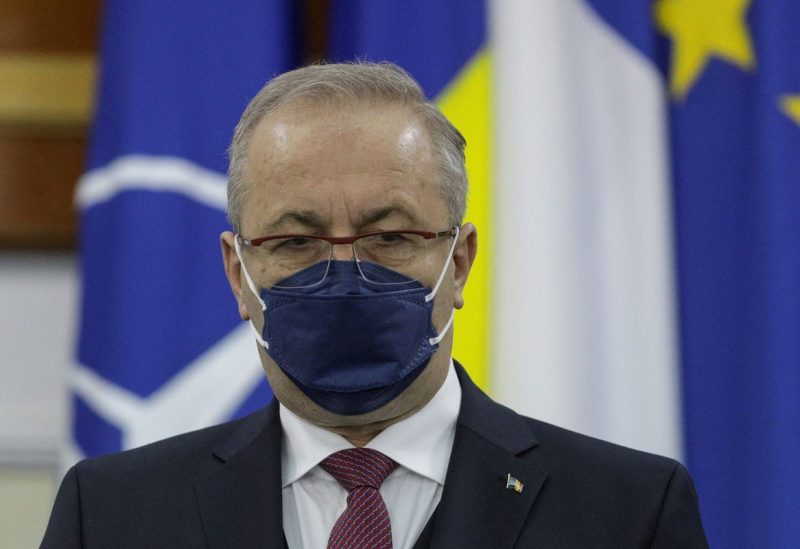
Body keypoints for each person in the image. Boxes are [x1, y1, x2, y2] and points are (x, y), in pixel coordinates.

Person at [41, 62, 708, 548]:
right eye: (296, 240)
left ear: (459, 262)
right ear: (238, 274)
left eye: (390, 235)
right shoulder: (110, 515)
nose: (343, 274)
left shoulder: (628, 512)